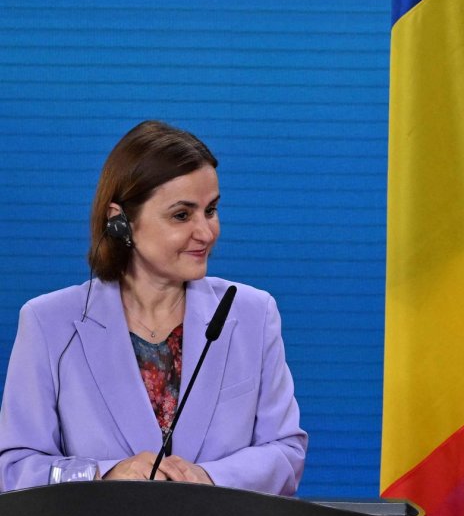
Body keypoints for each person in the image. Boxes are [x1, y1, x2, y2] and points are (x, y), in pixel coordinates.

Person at [0, 121, 306, 493]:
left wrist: (210, 477)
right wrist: (104, 474)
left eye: (210, 210)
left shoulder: (254, 314)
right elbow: (15, 470)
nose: (206, 232)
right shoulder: (49, 323)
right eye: (182, 215)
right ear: (120, 221)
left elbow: (286, 452)